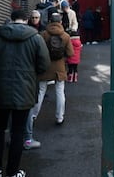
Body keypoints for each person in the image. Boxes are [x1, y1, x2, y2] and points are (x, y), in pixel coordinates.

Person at [0, 9, 51, 177]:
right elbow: (44, 65)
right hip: (25, 90)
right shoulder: (36, 38)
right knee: (18, 131)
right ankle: (13, 171)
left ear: (11, 20)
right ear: (27, 20)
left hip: (0, 90)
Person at [24, 13, 74, 149]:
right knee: (60, 92)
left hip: (45, 68)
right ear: (60, 22)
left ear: (50, 21)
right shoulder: (65, 36)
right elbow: (70, 54)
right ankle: (59, 117)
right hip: (59, 68)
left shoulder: (43, 34)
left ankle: (33, 116)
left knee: (40, 92)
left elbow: (37, 52)